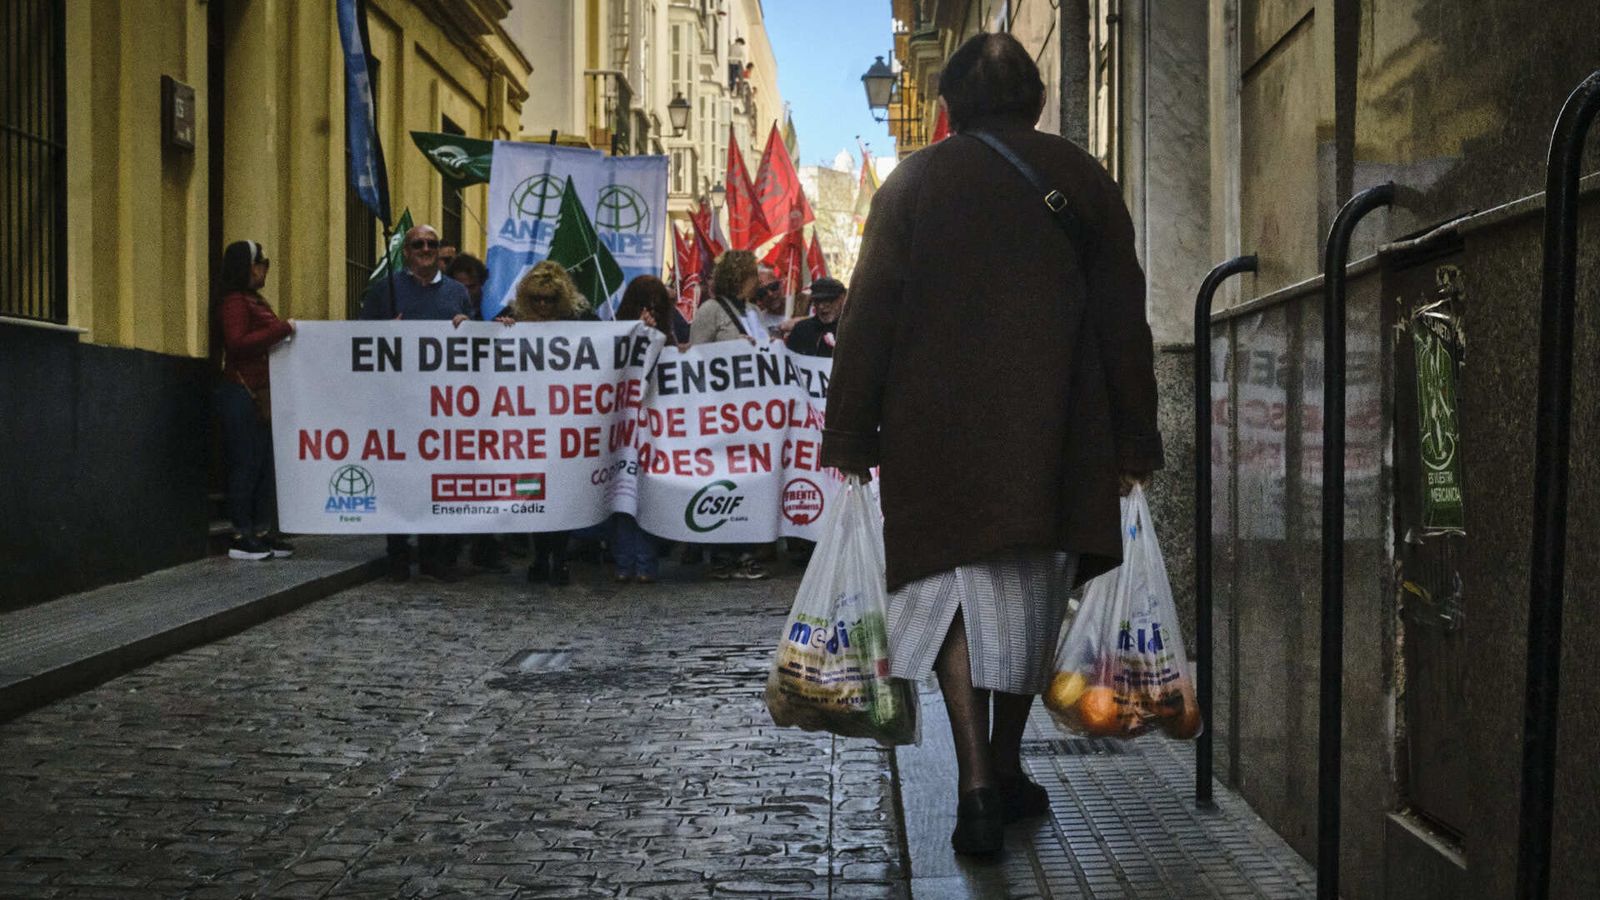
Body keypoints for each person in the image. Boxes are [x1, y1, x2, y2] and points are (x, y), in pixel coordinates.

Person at [820, 32, 1163, 858]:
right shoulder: (1082, 177)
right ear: (1038, 101)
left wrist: (850, 432)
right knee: (1030, 596)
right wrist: (1134, 436)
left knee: (949, 599)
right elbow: (1124, 317)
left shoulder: (914, 183)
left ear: (949, 108)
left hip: (931, 435)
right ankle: (1004, 766)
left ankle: (975, 779)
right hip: (1055, 434)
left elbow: (869, 314)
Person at [361, 224, 473, 582]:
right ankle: (396, 551)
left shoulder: (457, 292)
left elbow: (478, 342)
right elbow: (360, 337)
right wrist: (384, 332)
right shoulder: (385, 290)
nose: (425, 248)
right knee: (399, 477)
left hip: (443, 405)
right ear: (406, 252)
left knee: (435, 478)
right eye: (418, 244)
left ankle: (431, 554)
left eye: (431, 243)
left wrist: (470, 326)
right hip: (399, 402)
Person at [511, 260, 594, 586]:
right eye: (537, 300)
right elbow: (480, 340)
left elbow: (614, 340)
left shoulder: (581, 318)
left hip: (565, 425)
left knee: (561, 495)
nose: (542, 306)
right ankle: (540, 556)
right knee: (532, 494)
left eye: (549, 300)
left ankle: (558, 559)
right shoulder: (514, 318)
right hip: (526, 426)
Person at [688, 250, 769, 581]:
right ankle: (723, 552)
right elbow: (694, 357)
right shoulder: (710, 311)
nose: (758, 282)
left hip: (749, 412)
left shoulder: (752, 312)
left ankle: (744, 550)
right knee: (723, 477)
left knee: (748, 477)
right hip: (720, 410)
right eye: (753, 275)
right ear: (741, 277)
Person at [213, 240, 296, 561]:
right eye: (262, 262)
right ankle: (240, 533)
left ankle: (262, 531)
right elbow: (237, 343)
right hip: (241, 391)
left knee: (262, 463)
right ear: (247, 266)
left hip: (260, 393)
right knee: (246, 462)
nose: (265, 268)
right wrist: (282, 329)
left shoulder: (252, 300)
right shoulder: (235, 302)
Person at [608, 275, 676, 583]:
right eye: (644, 307)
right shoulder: (612, 332)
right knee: (623, 497)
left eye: (655, 307)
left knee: (647, 494)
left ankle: (645, 564)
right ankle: (624, 563)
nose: (650, 313)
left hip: (655, 430)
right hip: (623, 431)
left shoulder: (670, 336)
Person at [785, 277, 846, 358]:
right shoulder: (802, 329)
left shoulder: (852, 331)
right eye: (817, 301)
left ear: (841, 299)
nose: (821, 306)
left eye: (826, 300)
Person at [446, 252, 490, 321]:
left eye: (472, 287)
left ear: (481, 283)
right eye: (461, 288)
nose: (466, 292)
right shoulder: (442, 311)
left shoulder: (493, 312)